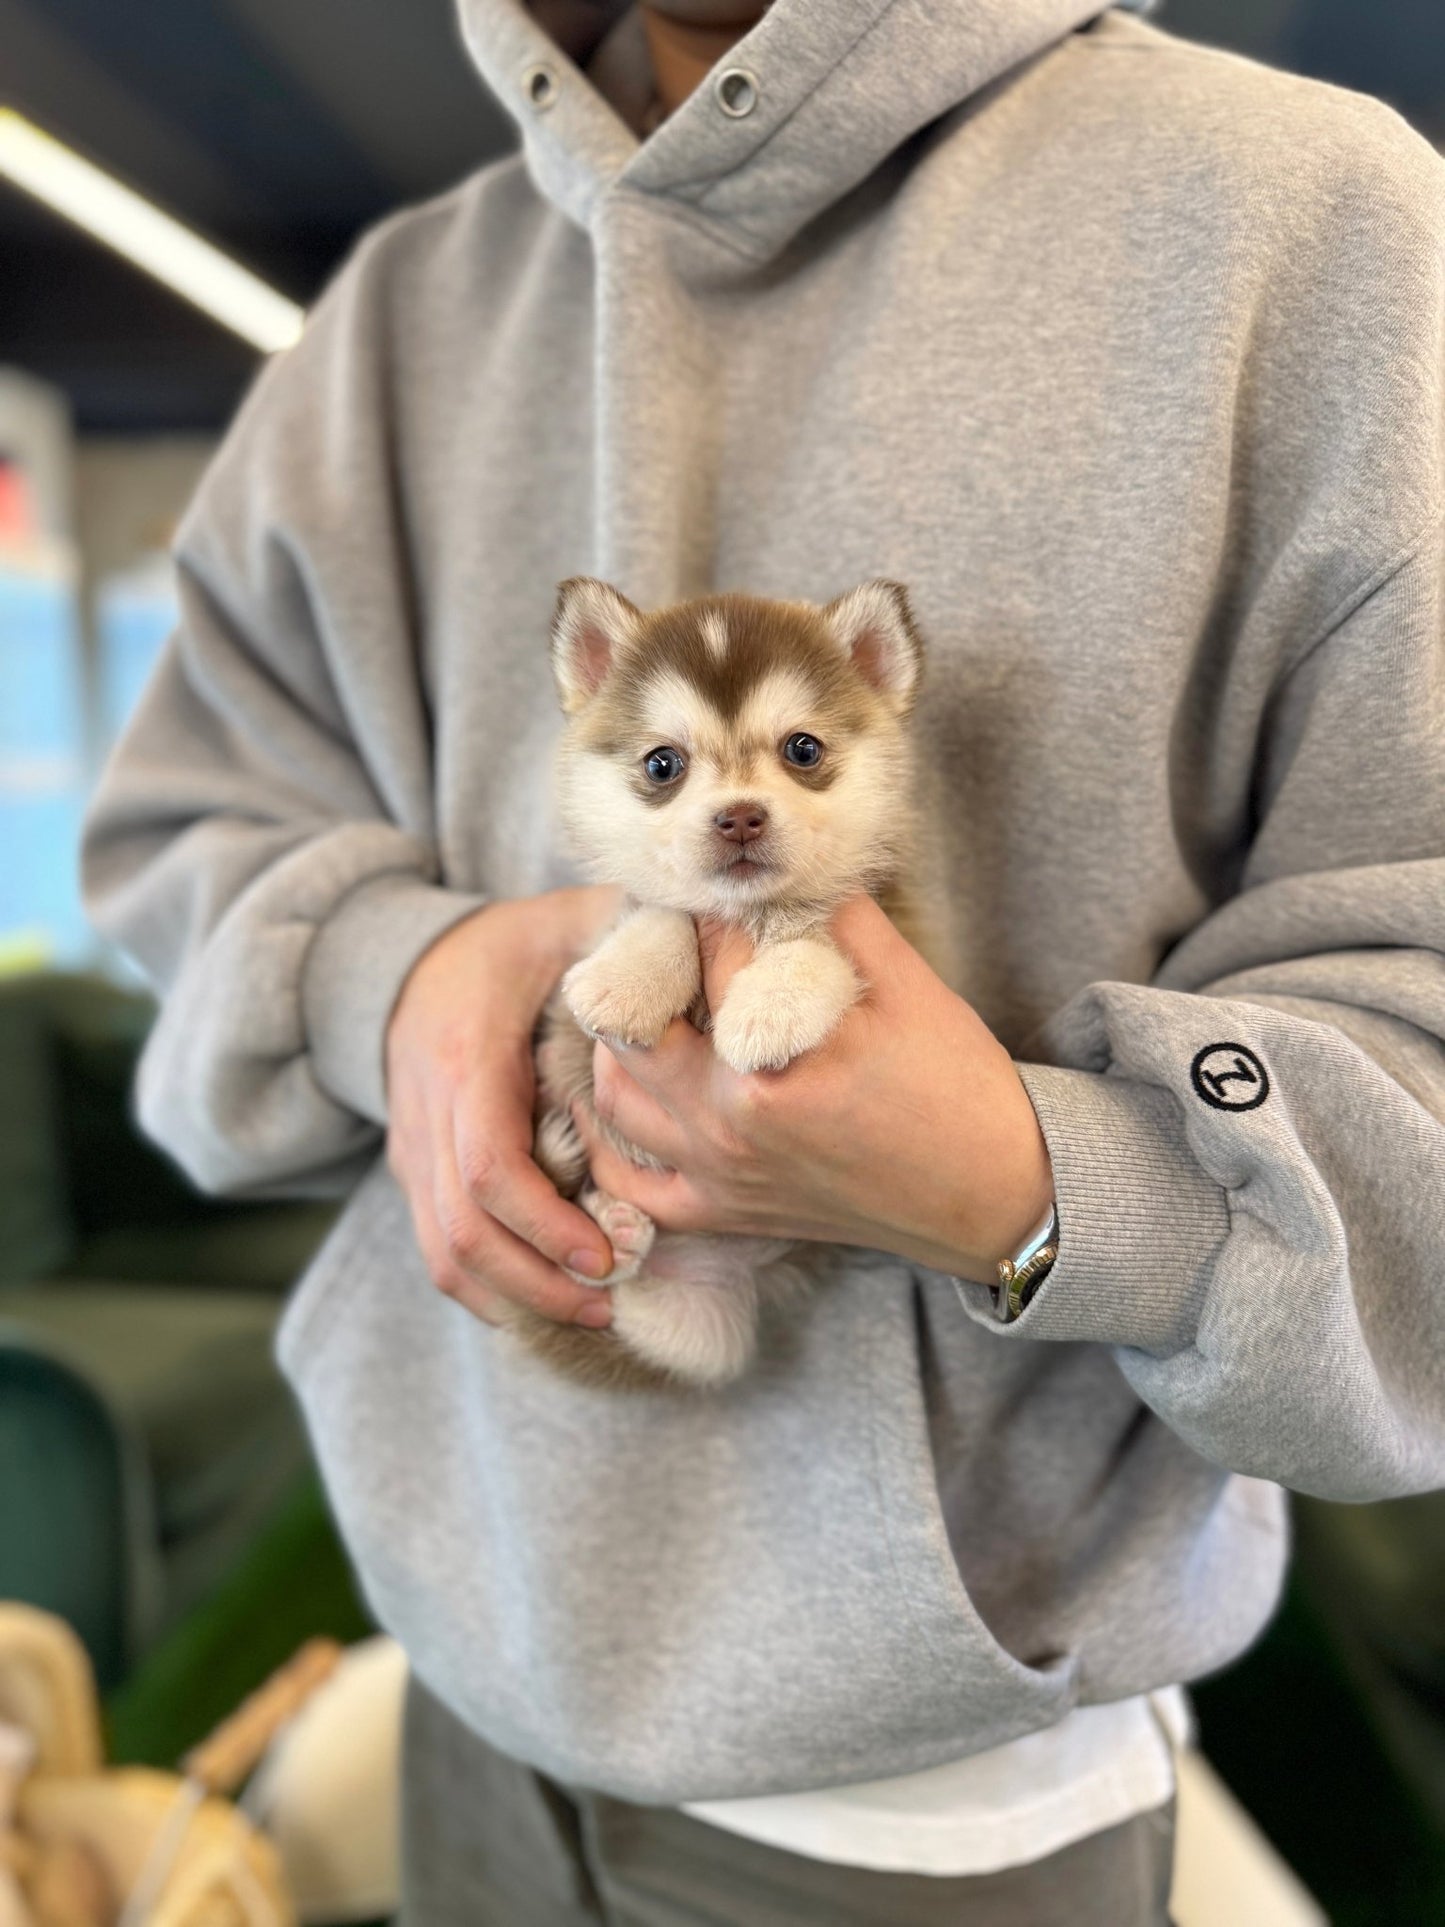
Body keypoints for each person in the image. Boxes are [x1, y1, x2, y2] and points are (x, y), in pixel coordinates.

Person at [81, 0, 1445, 1920]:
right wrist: (396, 972)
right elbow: (177, 842)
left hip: (938, 1784)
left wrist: (1039, 1190)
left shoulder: (1310, 225)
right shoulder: (394, 317)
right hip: (465, 1669)